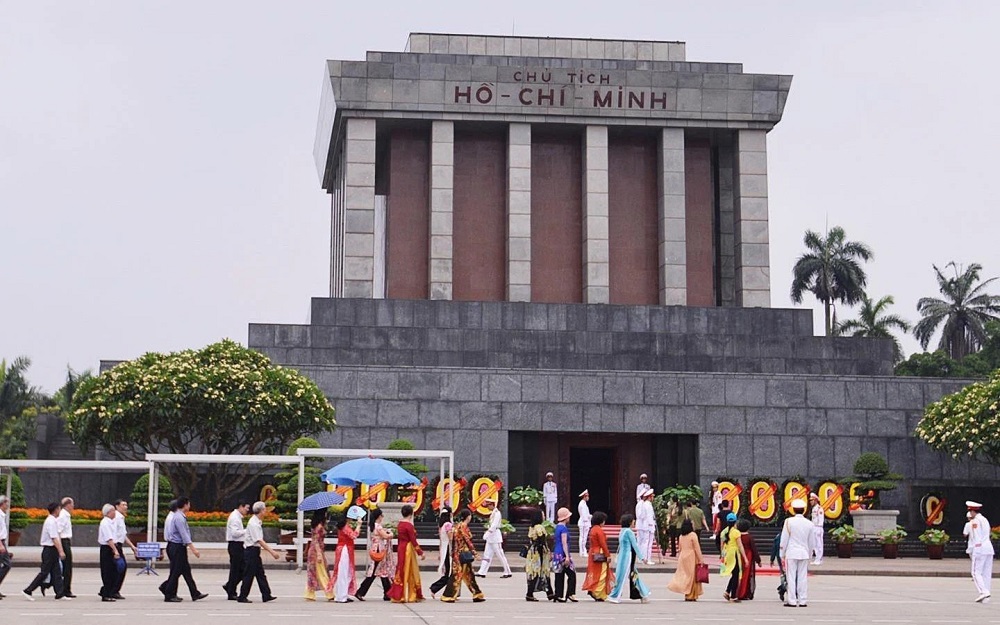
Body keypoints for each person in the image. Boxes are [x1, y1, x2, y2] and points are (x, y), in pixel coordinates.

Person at [159, 496, 208, 603]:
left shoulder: (179, 516)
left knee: (186, 571)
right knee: (176, 572)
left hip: (178, 547)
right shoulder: (179, 518)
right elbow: (184, 535)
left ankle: (194, 593)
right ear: (185, 505)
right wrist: (193, 549)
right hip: (177, 547)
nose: (190, 506)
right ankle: (168, 594)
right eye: (189, 504)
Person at [22, 501, 68, 601]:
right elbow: (54, 538)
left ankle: (60, 593)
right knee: (44, 573)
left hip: (52, 550)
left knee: (57, 572)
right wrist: (61, 551)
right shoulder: (51, 522)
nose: (60, 510)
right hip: (49, 550)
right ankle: (28, 590)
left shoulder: (53, 521)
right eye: (59, 509)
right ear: (56, 510)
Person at [238, 501, 279, 603]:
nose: (266, 511)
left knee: (260, 573)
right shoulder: (254, 524)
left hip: (254, 551)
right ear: (261, 511)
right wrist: (272, 552)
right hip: (251, 551)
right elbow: (259, 540)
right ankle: (242, 596)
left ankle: (266, 594)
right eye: (264, 509)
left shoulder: (257, 522)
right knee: (249, 574)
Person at [441, 509, 485, 602]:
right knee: (457, 574)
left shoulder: (457, 526)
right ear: (468, 516)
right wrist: (475, 553)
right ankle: (448, 595)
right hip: (462, 554)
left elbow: (454, 540)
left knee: (469, 574)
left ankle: (477, 594)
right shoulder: (463, 526)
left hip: (460, 553)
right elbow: (467, 541)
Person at [608, 513, 649, 604]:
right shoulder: (628, 532)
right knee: (626, 576)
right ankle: (643, 594)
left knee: (626, 576)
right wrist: (642, 558)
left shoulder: (622, 531)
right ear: (630, 522)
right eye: (633, 521)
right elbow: (635, 545)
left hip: (624, 557)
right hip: (626, 557)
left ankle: (616, 595)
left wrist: (641, 558)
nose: (634, 522)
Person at [779, 499, 813, 607]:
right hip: (804, 552)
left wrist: (781, 553)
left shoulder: (789, 521)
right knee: (803, 577)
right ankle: (803, 600)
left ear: (793, 510)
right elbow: (811, 541)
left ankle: (792, 600)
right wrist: (810, 554)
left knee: (791, 576)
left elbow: (784, 539)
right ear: (804, 510)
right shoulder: (809, 524)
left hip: (792, 552)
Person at [388, 504, 425, 603]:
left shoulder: (400, 524)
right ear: (411, 513)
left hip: (401, 547)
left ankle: (399, 594)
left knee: (401, 569)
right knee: (410, 571)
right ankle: (410, 594)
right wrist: (420, 552)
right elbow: (413, 540)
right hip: (408, 549)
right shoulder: (409, 525)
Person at [358, 507, 396, 601]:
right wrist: (391, 534)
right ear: (379, 516)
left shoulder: (373, 526)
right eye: (382, 515)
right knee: (374, 572)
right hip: (379, 550)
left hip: (376, 549)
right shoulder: (378, 526)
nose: (382, 517)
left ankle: (388, 593)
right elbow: (386, 536)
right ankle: (360, 592)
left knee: (382, 571)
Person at [667, 519, 704, 601]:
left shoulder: (681, 536)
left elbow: (680, 548)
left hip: (682, 556)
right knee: (692, 576)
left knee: (686, 576)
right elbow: (697, 548)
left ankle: (687, 594)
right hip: (691, 556)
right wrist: (701, 559)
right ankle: (691, 595)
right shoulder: (693, 535)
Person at [581, 511, 614, 601]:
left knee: (594, 572)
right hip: (599, 552)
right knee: (602, 573)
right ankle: (598, 592)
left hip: (592, 552)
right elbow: (603, 544)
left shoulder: (592, 529)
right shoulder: (599, 530)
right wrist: (608, 555)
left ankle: (594, 590)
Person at [965, 501, 994, 603]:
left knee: (976, 572)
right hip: (988, 548)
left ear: (972, 511)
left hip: (980, 549)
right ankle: (986, 596)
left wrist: (975, 549)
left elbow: (976, 536)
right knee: (986, 573)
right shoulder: (985, 520)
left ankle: (983, 592)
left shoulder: (975, 522)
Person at [476, 498, 511, 578]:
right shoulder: (493, 513)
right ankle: (482, 571)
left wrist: (488, 533)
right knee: (487, 554)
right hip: (491, 538)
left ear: (492, 505)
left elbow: (494, 525)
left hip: (495, 537)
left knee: (500, 555)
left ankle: (507, 571)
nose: (487, 507)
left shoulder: (497, 513)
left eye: (488, 505)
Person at [304, 510, 334, 601]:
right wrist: (319, 554)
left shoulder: (316, 525)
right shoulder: (319, 526)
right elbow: (316, 540)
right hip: (316, 552)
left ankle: (310, 593)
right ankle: (329, 593)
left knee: (313, 572)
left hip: (314, 550)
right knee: (323, 573)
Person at [524, 508, 553, 602]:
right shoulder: (540, 527)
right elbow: (542, 542)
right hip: (538, 553)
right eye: (543, 514)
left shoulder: (531, 527)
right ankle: (547, 593)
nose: (544, 516)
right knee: (542, 572)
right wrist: (547, 552)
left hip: (532, 553)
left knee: (533, 573)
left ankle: (548, 593)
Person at [111, 499, 138, 599]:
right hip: (115, 545)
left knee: (120, 568)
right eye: (123, 505)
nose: (125, 507)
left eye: (126, 505)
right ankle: (113, 590)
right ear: (117, 506)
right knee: (120, 568)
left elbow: (123, 535)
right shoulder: (116, 517)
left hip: (119, 545)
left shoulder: (121, 518)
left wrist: (132, 546)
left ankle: (115, 590)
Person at [223, 502, 250, 600]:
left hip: (238, 545)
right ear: (240, 506)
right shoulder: (234, 517)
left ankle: (230, 586)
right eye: (246, 507)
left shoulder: (237, 517)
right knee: (236, 569)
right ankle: (231, 591)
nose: (247, 510)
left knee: (242, 568)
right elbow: (234, 533)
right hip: (235, 545)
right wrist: (247, 531)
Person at [331, 515, 361, 602]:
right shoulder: (345, 527)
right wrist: (358, 525)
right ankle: (341, 596)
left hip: (344, 549)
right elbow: (354, 536)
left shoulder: (344, 526)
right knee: (343, 573)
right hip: (345, 550)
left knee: (346, 572)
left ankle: (343, 594)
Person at [552, 506, 577, 602]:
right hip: (562, 554)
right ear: (565, 517)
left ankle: (558, 594)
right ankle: (570, 593)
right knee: (571, 574)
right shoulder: (564, 529)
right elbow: (564, 542)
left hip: (556, 553)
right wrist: (567, 556)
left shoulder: (557, 527)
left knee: (559, 575)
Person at [720, 512, 746, 602]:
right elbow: (740, 546)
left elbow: (722, 546)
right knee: (736, 574)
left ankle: (727, 591)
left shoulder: (724, 532)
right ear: (736, 521)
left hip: (727, 554)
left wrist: (722, 555)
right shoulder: (736, 532)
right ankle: (733, 596)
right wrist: (745, 558)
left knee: (734, 574)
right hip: (734, 554)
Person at [98, 504, 120, 602]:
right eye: (113, 511)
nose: (114, 512)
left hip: (112, 546)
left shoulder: (112, 522)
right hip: (107, 548)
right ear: (108, 513)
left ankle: (108, 591)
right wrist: (115, 550)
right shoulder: (105, 523)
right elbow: (108, 538)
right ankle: (106, 594)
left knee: (113, 572)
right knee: (107, 572)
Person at [428, 508, 452, 599]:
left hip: (443, 549)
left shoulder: (441, 526)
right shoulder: (448, 525)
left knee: (448, 572)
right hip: (448, 549)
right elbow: (451, 538)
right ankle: (435, 587)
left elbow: (441, 540)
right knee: (449, 573)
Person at [736, 519, 761, 600]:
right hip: (748, 556)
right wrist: (758, 560)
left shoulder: (737, 536)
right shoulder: (749, 537)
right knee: (746, 575)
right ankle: (743, 593)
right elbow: (754, 549)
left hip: (739, 555)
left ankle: (737, 592)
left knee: (739, 575)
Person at [56, 497, 76, 598]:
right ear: (67, 505)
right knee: (67, 567)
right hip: (63, 542)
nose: (73, 506)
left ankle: (66, 588)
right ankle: (65, 589)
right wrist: (60, 548)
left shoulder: (66, 515)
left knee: (66, 567)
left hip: (66, 541)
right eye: (72, 504)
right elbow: (58, 531)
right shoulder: (63, 516)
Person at [635, 490, 656, 564]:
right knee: (647, 543)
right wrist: (651, 525)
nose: (653, 498)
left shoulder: (644, 504)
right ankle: (647, 558)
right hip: (648, 525)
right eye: (652, 496)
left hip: (644, 525)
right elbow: (648, 516)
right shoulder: (647, 504)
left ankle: (642, 558)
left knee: (642, 542)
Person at [770, 531, 787, 603]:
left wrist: (772, 559)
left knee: (783, 575)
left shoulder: (778, 536)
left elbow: (774, 547)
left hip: (781, 558)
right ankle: (783, 588)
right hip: (787, 557)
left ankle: (782, 588)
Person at [809, 493, 824, 565]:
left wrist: (818, 527)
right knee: (815, 545)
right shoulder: (814, 508)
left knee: (819, 544)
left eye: (812, 500)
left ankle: (819, 559)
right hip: (814, 527)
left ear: (815, 500)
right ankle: (817, 559)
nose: (810, 502)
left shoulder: (819, 509)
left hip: (818, 527)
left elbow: (820, 520)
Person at [0, 495, 10, 598]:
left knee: (6, 565)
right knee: (7, 565)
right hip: (0, 543)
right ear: (2, 504)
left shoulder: (2, 515)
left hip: (2, 542)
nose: (8, 505)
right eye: (6, 503)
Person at [577, 490, 592, 557]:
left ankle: (582, 551)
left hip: (585, 522)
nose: (588, 497)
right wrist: (587, 519)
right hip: (584, 522)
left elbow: (587, 514)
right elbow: (584, 515)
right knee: (583, 538)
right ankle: (583, 551)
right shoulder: (582, 504)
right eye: (587, 496)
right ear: (584, 497)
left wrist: (590, 516)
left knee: (583, 537)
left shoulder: (584, 504)